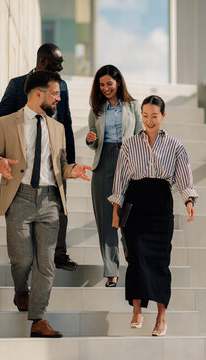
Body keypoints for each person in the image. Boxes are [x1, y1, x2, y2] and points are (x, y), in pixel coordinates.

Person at [0, 70, 92, 337]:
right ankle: (21, 291)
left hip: (49, 202)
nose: (59, 98)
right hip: (19, 198)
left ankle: (38, 319)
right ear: (39, 93)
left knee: (46, 264)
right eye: (55, 93)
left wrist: (73, 170)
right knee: (22, 259)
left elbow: (60, 166)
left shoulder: (57, 128)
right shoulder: (7, 123)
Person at [108, 95, 198, 336]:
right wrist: (116, 212)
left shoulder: (175, 146)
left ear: (163, 116)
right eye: (145, 115)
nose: (149, 120)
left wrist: (188, 201)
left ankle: (161, 317)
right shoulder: (129, 144)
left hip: (160, 205)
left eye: (154, 116)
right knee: (136, 256)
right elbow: (120, 180)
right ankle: (137, 309)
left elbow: (183, 176)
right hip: (135, 203)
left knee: (160, 262)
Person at [0, 43, 78, 271]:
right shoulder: (17, 84)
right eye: (57, 62)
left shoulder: (62, 87)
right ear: (43, 62)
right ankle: (28, 259)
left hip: (54, 158)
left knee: (60, 205)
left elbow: (66, 122)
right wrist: (30, 117)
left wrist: (69, 159)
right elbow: (0, 115)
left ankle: (59, 254)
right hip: (23, 160)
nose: (61, 67)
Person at [86, 65, 144, 287]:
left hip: (128, 161)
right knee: (106, 220)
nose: (105, 88)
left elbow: (141, 135)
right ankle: (111, 270)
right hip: (103, 164)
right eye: (101, 85)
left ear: (118, 82)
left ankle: (130, 252)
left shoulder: (133, 106)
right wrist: (90, 140)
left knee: (128, 215)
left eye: (109, 83)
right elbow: (94, 142)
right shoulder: (96, 109)